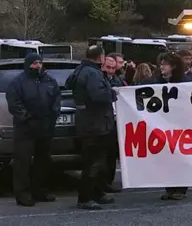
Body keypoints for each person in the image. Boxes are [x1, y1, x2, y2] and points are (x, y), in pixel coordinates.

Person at [6, 53, 60, 207]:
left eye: (39, 62)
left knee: (43, 160)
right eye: (34, 63)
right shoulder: (18, 82)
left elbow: (56, 99)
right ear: (28, 64)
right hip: (26, 129)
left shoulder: (50, 81)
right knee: (22, 162)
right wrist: (26, 118)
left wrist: (52, 117)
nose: (37, 65)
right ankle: (22, 194)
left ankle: (40, 191)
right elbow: (14, 103)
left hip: (45, 127)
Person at [71, 45, 116, 210]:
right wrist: (112, 93)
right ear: (101, 57)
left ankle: (97, 193)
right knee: (92, 163)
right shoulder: (92, 73)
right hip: (95, 124)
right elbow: (98, 95)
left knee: (97, 161)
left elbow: (70, 84)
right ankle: (85, 197)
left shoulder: (81, 69)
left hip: (89, 122)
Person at [151, 53, 192, 201]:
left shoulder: (184, 83)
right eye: (160, 64)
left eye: (164, 64)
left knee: (180, 158)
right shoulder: (157, 81)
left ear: (173, 66)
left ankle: (180, 188)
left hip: (180, 126)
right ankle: (169, 188)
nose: (161, 66)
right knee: (166, 158)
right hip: (163, 126)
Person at [102, 56, 122, 194]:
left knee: (111, 154)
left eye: (113, 68)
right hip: (102, 121)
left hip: (115, 121)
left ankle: (108, 181)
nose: (110, 71)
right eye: (108, 67)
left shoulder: (117, 80)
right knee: (103, 154)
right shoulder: (99, 79)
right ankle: (102, 182)